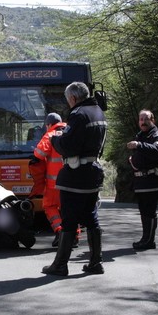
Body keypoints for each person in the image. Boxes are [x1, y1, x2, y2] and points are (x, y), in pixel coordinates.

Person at [42, 82, 107, 276]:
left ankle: (60, 265)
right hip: (92, 173)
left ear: (72, 98)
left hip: (76, 174)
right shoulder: (98, 112)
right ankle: (96, 263)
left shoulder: (78, 114)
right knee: (91, 217)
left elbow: (69, 146)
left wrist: (55, 138)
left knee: (69, 218)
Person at [126, 109, 158, 250]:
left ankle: (149, 241)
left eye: (146, 119)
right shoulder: (141, 135)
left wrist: (139, 145)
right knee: (144, 211)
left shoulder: (156, 135)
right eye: (141, 119)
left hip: (151, 180)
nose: (143, 122)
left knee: (149, 211)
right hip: (141, 181)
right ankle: (146, 238)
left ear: (152, 120)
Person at [29, 113, 68, 246]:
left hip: (54, 183)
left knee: (49, 206)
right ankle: (73, 236)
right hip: (72, 181)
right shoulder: (71, 131)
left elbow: (39, 153)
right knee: (69, 209)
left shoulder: (50, 134)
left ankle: (59, 230)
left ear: (49, 125)